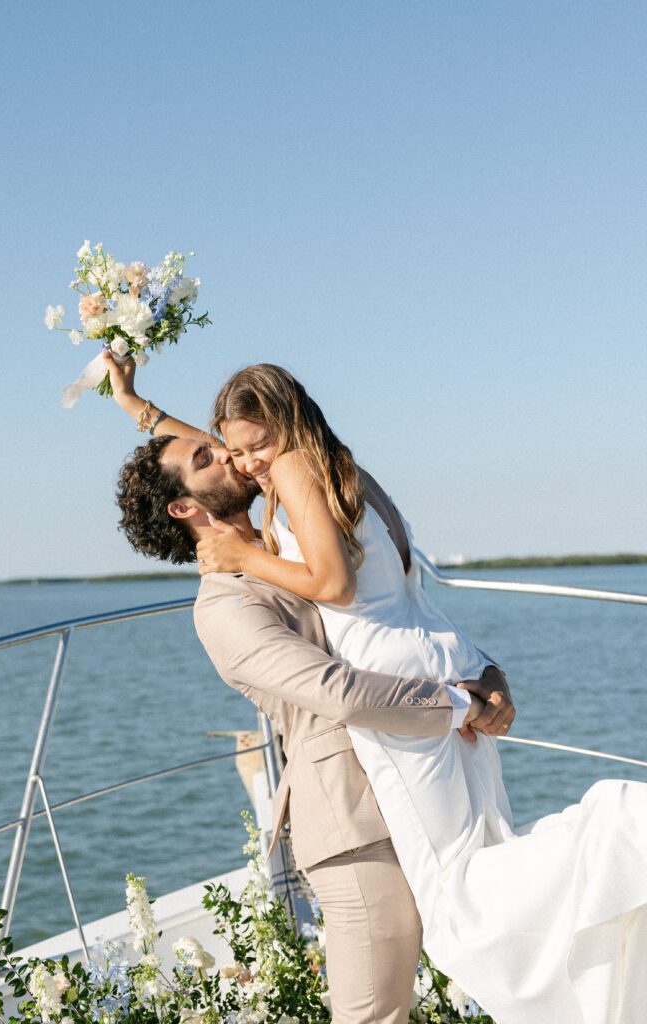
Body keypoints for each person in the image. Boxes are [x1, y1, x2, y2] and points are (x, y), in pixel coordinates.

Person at [115, 356, 647, 1024]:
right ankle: (621, 832)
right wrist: (458, 702)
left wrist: (136, 403)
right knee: (380, 1012)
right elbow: (336, 689)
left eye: (242, 446)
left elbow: (260, 452)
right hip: (354, 819)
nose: (233, 457)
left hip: (417, 754)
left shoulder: (289, 503)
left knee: (481, 900)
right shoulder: (223, 605)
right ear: (188, 506)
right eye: (212, 456)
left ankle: (622, 836)